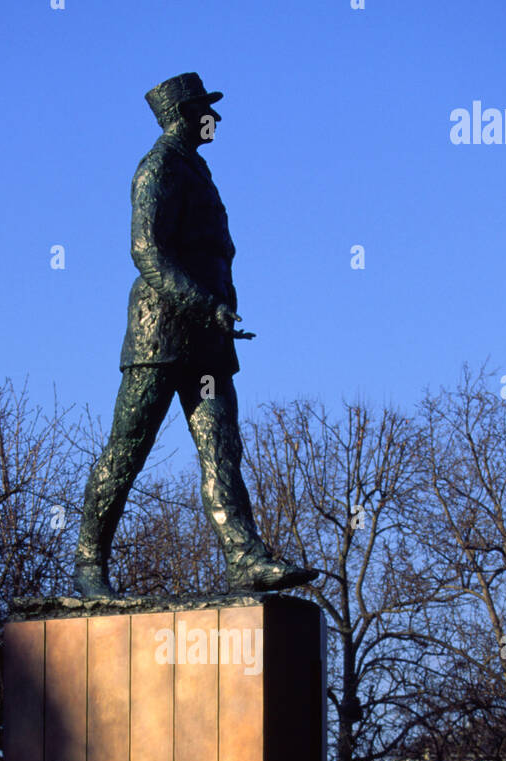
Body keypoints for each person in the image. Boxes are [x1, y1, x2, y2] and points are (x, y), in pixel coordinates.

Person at [72, 73, 317, 600]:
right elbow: (146, 251)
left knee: (222, 447)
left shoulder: (195, 169)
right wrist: (205, 304)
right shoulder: (158, 168)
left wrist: (214, 312)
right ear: (185, 113)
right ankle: (89, 563)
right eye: (208, 109)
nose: (217, 118)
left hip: (205, 338)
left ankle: (244, 557)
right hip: (159, 336)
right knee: (128, 447)